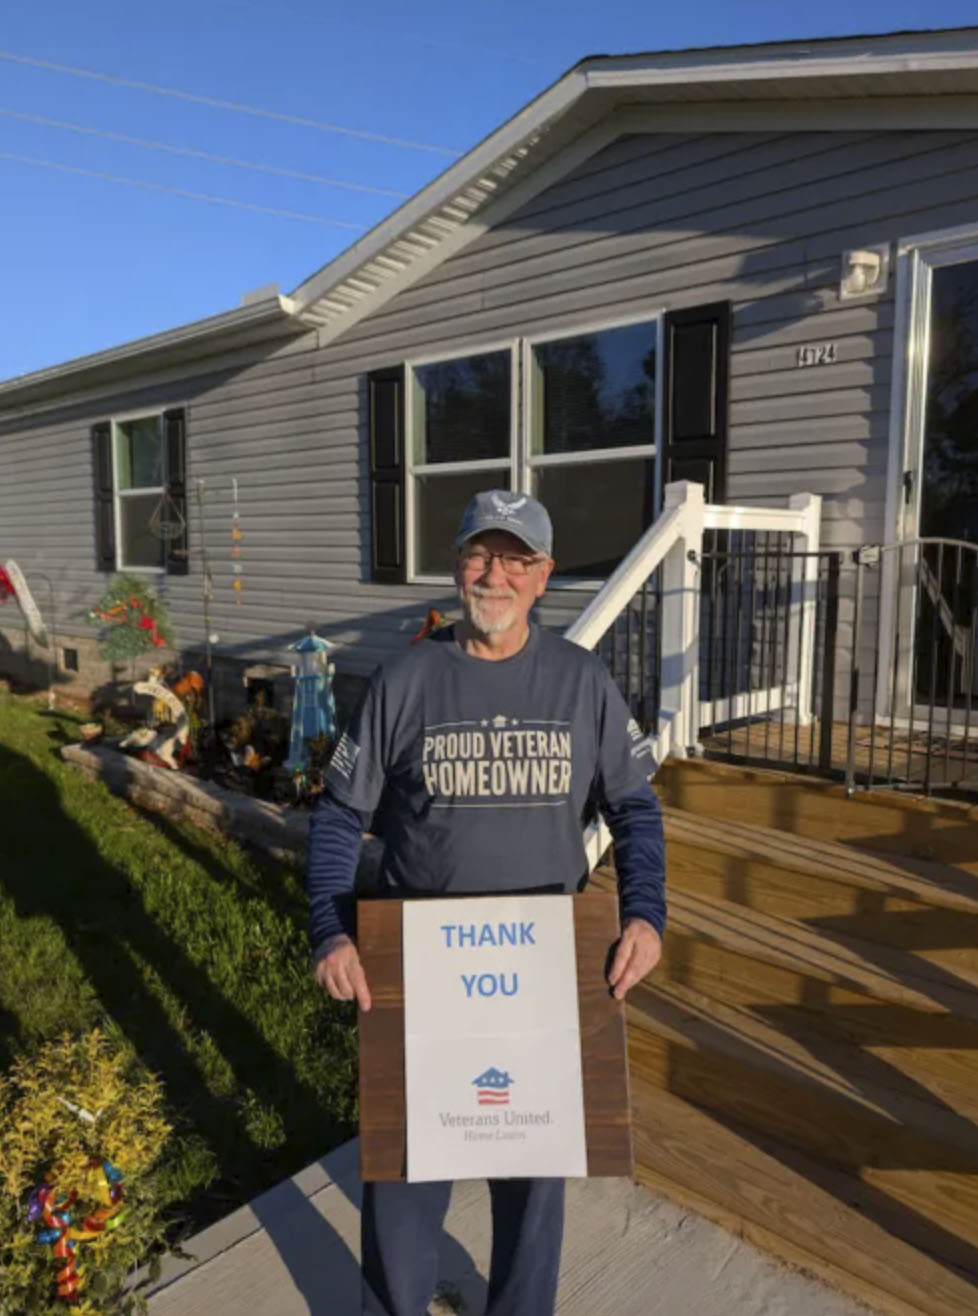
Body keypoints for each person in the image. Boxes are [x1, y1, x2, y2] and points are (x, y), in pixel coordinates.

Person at [307, 489, 666, 1316]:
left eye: (516, 559)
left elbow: (636, 810)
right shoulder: (406, 678)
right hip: (419, 975)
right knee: (402, 1179)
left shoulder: (581, 683)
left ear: (543, 577)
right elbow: (339, 816)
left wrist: (645, 914)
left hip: (541, 975)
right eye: (479, 553)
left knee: (534, 1188)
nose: (494, 574)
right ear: (456, 565)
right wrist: (331, 930)